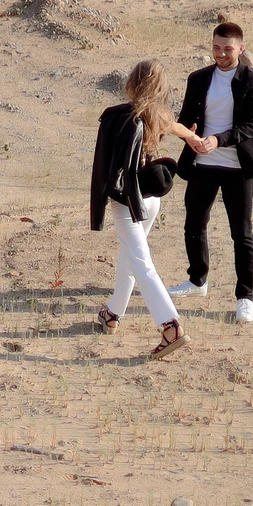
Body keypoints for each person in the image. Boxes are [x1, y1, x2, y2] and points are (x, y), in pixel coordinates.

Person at [90, 59, 206, 361]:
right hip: (151, 199)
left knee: (141, 261)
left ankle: (171, 327)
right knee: (130, 255)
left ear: (133, 82)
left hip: (128, 201)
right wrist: (193, 138)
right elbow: (177, 126)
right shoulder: (158, 115)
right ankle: (113, 313)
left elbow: (111, 168)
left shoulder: (123, 117)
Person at [169, 20, 253, 325]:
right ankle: (197, 281)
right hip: (202, 163)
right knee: (193, 224)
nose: (221, 54)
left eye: (227, 48)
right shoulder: (198, 79)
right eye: (216, 47)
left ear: (241, 48)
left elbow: (252, 125)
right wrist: (192, 135)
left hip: (236, 166)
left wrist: (218, 140)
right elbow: (185, 119)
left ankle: (244, 298)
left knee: (242, 233)